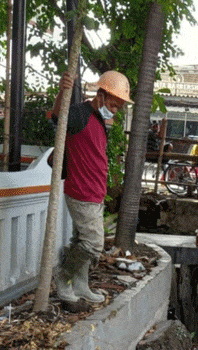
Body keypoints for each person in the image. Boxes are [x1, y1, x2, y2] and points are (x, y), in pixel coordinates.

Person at [50, 70, 132, 304]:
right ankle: (63, 277)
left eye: (118, 107)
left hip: (95, 192)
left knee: (80, 240)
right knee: (93, 243)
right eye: (113, 105)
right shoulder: (79, 114)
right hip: (81, 191)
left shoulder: (98, 119)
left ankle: (80, 284)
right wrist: (62, 91)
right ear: (101, 95)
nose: (114, 111)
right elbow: (58, 117)